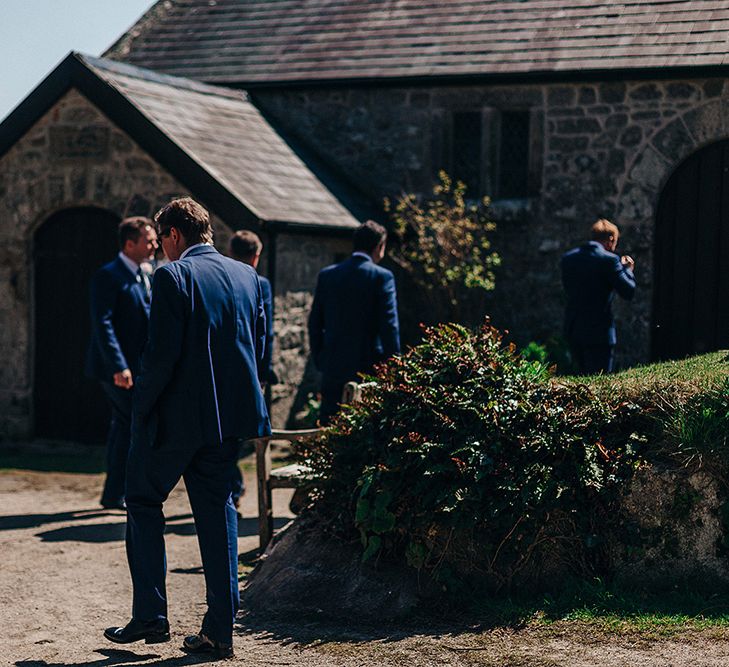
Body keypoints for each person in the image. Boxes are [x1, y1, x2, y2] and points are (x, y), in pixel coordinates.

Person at [104, 198, 270, 658]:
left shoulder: (172, 276)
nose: (162, 252)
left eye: (164, 241)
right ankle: (221, 630)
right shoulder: (248, 276)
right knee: (219, 515)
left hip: (178, 421)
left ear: (175, 235)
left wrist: (140, 412)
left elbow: (161, 357)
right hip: (228, 420)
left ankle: (151, 616)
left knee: (140, 498)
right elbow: (254, 349)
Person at [85, 217, 157, 510]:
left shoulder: (146, 274)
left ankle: (113, 493)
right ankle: (121, 491)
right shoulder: (109, 275)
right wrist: (118, 366)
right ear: (130, 244)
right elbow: (103, 324)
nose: (154, 245)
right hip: (116, 369)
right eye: (148, 240)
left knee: (123, 426)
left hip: (138, 367)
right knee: (129, 424)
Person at [308, 219, 400, 424]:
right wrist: (394, 367)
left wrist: (321, 358)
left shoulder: (328, 275)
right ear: (379, 247)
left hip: (333, 365)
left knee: (329, 430)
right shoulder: (382, 277)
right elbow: (389, 326)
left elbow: (315, 322)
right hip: (368, 367)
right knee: (364, 430)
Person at [228, 229, 275, 509]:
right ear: (256, 256)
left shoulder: (222, 277)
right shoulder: (260, 283)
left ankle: (234, 486)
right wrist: (262, 372)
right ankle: (236, 487)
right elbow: (263, 331)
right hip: (250, 366)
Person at [561, 218, 636, 375]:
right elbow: (628, 291)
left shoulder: (569, 258)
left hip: (574, 328)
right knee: (599, 381)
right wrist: (627, 269)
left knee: (579, 379)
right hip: (599, 331)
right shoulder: (609, 260)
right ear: (610, 240)